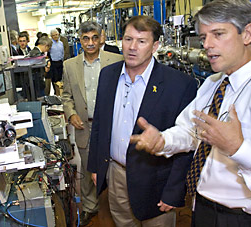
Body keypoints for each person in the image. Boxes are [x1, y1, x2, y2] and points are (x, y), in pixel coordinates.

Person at [129, 1, 251, 226]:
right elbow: (191, 131)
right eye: (204, 36)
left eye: (218, 34)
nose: (207, 44)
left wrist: (240, 150)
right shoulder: (214, 84)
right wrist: (163, 140)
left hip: (245, 220)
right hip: (202, 209)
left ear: (247, 34)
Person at [87, 15, 197, 226]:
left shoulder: (180, 85)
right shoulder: (108, 75)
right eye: (128, 39)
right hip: (117, 174)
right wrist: (96, 166)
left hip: (155, 181)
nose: (132, 47)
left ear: (155, 45)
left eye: (141, 41)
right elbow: (100, 124)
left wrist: (174, 191)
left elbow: (187, 142)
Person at [61, 21, 123, 226]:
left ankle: (119, 208)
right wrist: (71, 115)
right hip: (85, 126)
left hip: (112, 126)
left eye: (94, 37)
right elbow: (66, 96)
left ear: (101, 38)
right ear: (80, 40)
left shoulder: (116, 60)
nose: (90, 43)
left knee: (116, 169)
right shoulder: (70, 66)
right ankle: (90, 207)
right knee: (88, 170)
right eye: (86, 38)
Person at [48, 29, 64, 96]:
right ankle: (56, 93)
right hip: (53, 63)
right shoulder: (50, 44)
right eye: (53, 35)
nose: (55, 36)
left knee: (60, 79)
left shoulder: (61, 43)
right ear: (51, 36)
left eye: (56, 35)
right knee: (55, 79)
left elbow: (62, 52)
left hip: (60, 62)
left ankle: (60, 93)